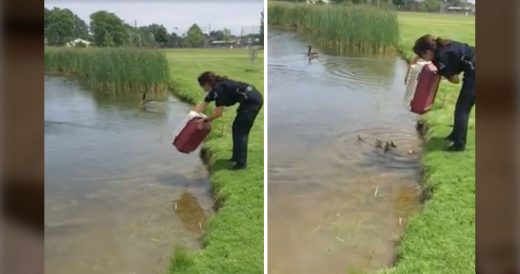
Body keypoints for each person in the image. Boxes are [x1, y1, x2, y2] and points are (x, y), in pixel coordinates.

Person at [410, 34, 475, 151]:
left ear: (428, 52)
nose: (423, 59)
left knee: (462, 109)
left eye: (422, 56)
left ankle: (459, 145)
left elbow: (456, 80)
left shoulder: (441, 57)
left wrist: (444, 74)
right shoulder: (440, 46)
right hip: (473, 64)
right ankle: (455, 135)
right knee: (460, 107)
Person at [194, 71, 263, 170]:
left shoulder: (219, 89)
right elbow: (204, 103)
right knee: (236, 128)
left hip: (252, 102)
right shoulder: (216, 88)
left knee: (241, 132)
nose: (203, 89)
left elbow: (218, 114)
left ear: (207, 84)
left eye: (202, 86)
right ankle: (235, 157)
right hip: (249, 99)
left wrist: (205, 120)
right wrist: (192, 116)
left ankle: (241, 164)